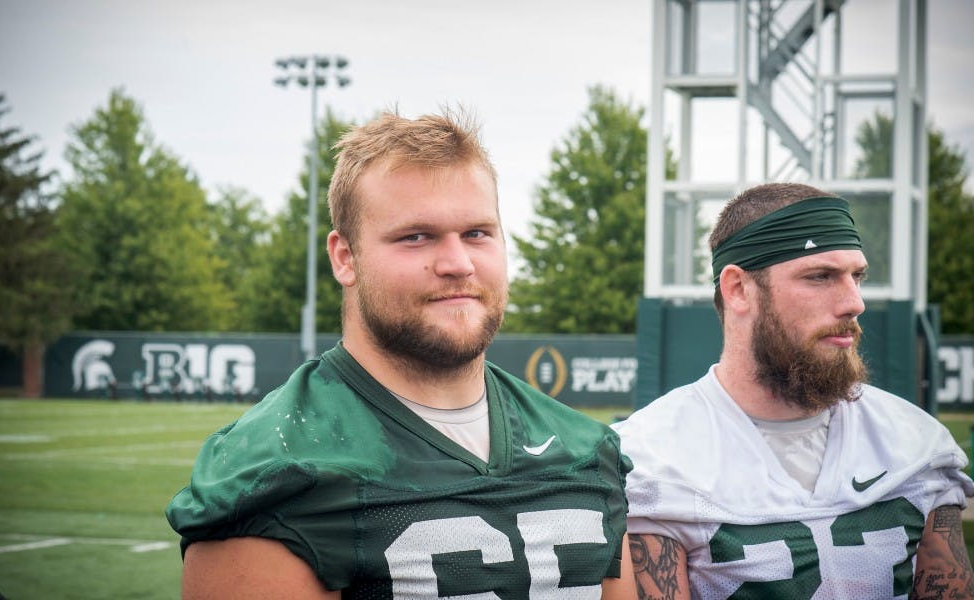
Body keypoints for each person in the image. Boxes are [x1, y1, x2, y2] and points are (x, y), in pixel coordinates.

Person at [166, 109, 635, 598]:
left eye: (477, 233)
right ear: (344, 257)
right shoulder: (279, 468)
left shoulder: (586, 451)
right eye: (416, 237)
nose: (457, 263)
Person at [614, 182, 974, 599]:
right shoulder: (652, 455)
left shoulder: (914, 440)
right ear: (738, 289)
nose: (854, 302)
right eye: (820, 276)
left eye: (856, 276)